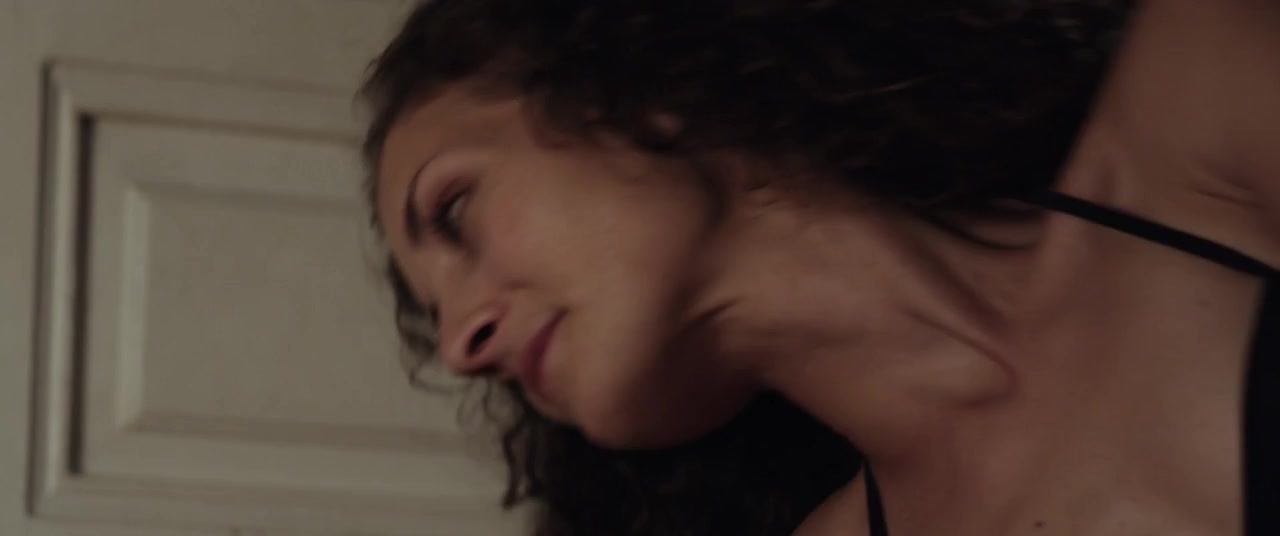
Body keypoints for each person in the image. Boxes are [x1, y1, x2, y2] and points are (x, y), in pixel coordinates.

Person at [359, 1, 1279, 534]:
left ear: (610, 75)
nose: (463, 344)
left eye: (455, 212)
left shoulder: (1194, 116)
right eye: (441, 316)